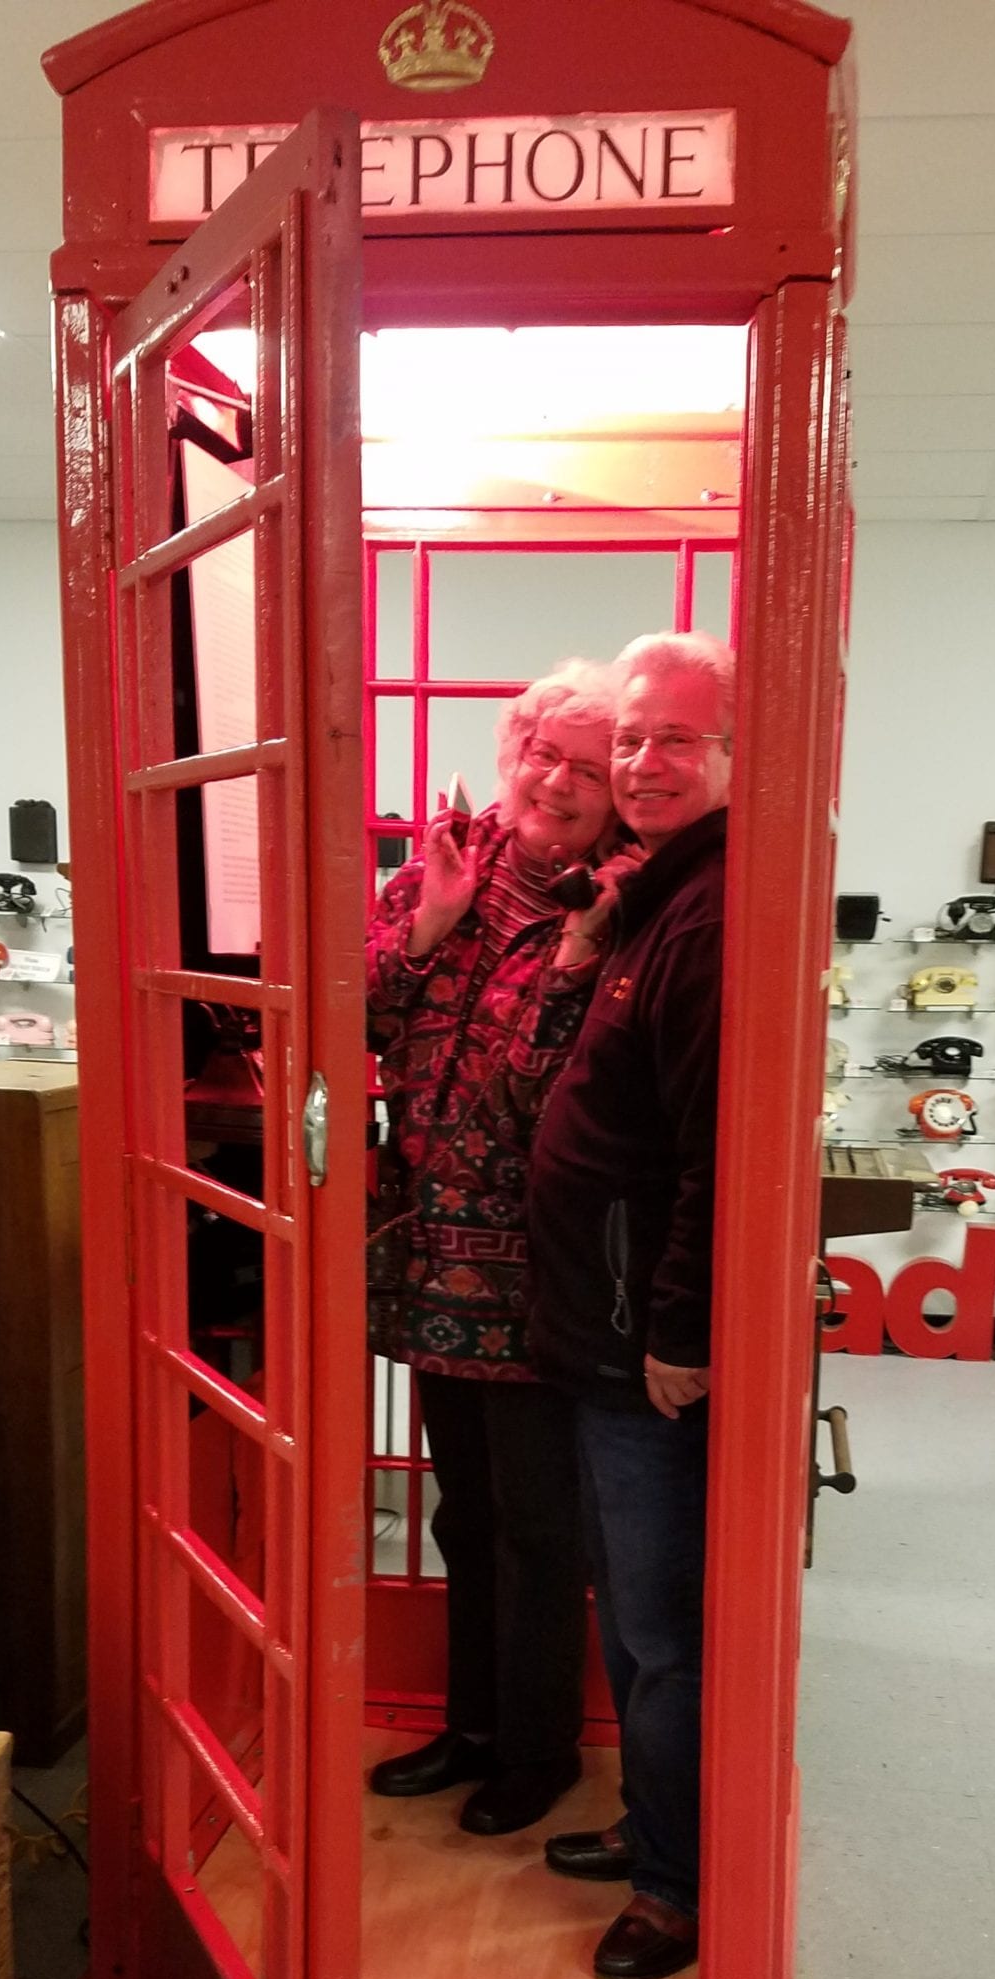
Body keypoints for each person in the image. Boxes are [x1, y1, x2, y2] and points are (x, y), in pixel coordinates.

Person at [365, 662, 626, 1835]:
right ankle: (469, 1726)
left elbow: (554, 1088)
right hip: (425, 1251)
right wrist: (428, 922)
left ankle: (539, 1746)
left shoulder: (617, 904)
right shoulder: (445, 860)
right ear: (510, 750)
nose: (556, 782)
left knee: (536, 1520)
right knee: (461, 1514)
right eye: (542, 753)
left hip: (538, 1262)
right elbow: (344, 1013)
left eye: (588, 765)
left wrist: (572, 963)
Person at [527, 631, 734, 1979]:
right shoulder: (655, 897)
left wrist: (680, 1330)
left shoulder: (712, 917)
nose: (641, 762)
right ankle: (655, 1823)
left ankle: (675, 1885)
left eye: (678, 739)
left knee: (661, 1634)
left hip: (636, 1340)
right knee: (627, 1607)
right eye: (634, 738)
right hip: (596, 1328)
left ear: (735, 757)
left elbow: (716, 1145)